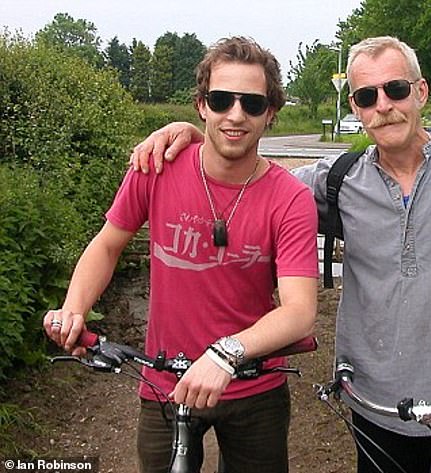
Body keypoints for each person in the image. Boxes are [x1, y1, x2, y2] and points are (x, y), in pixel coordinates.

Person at [130, 36, 431, 473]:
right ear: (356, 108)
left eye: (395, 89)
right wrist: (196, 137)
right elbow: (251, 188)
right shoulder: (336, 181)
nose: (384, 106)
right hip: (381, 409)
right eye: (366, 97)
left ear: (420, 92)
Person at [43, 36, 319, 473]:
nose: (235, 114)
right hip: (164, 382)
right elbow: (108, 244)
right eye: (221, 99)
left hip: (255, 387)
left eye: (251, 103)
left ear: (270, 114)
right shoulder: (157, 166)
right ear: (201, 106)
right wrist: (75, 308)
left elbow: (300, 311)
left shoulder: (290, 199)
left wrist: (224, 354)